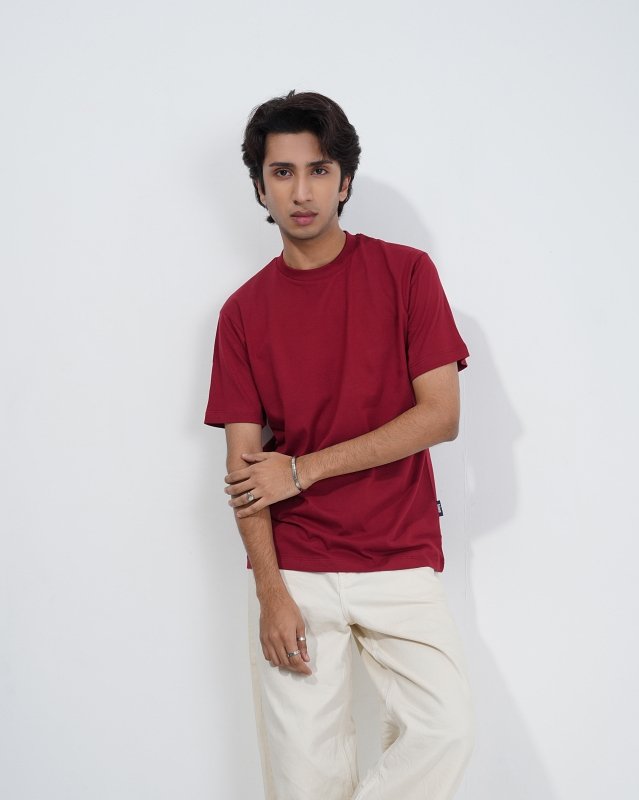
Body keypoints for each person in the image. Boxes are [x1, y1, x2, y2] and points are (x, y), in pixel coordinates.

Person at [204, 90, 474, 800]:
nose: (302, 191)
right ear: (259, 186)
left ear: (345, 180)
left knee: (445, 730)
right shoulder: (242, 314)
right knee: (306, 782)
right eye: (283, 172)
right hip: (296, 570)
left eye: (319, 170)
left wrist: (303, 469)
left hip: (397, 554)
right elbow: (242, 468)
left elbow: (440, 415)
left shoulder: (406, 273)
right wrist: (270, 592)